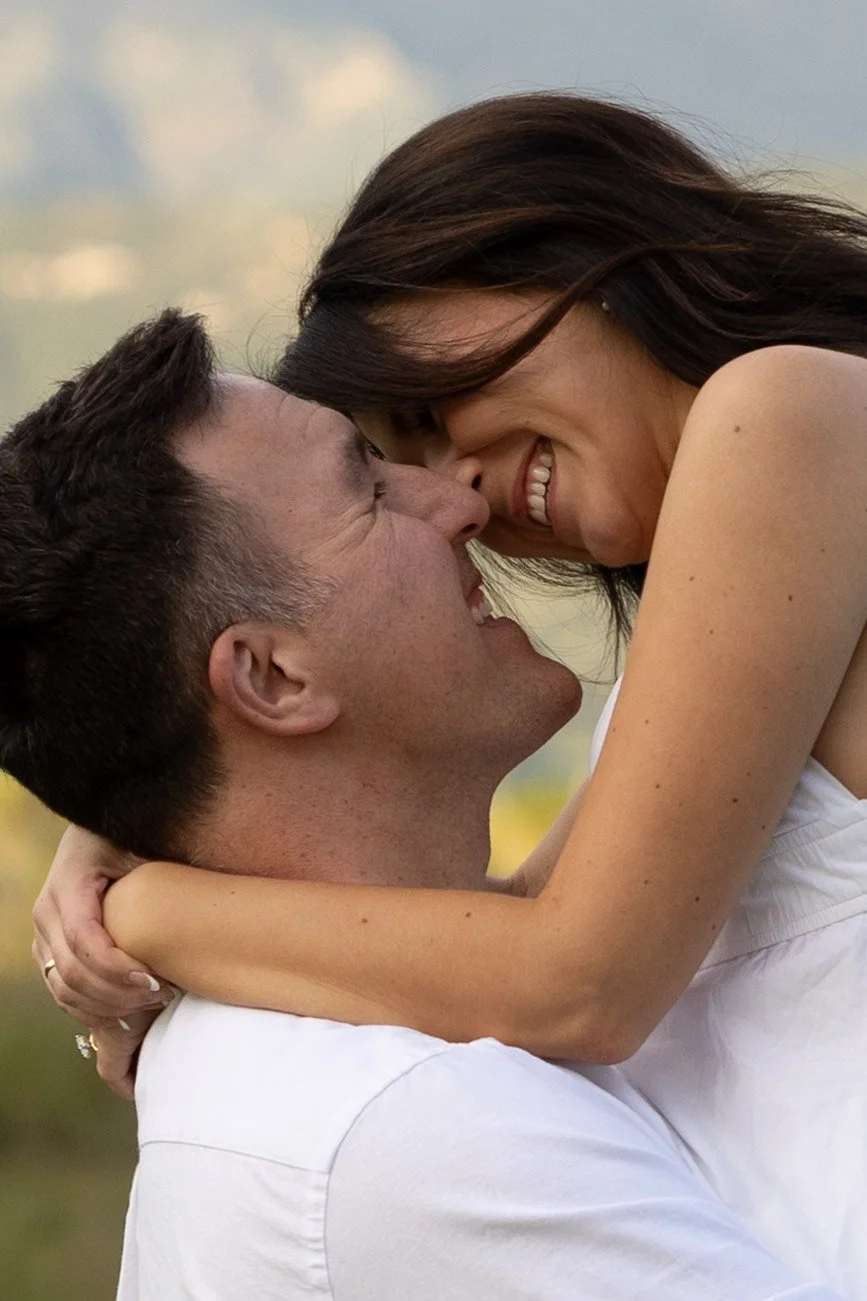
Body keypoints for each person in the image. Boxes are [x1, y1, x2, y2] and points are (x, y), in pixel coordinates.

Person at [34, 94, 867, 1292]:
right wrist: (130, 808)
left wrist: (154, 911)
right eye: (402, 470)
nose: (464, 494)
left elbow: (578, 975)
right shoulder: (748, 533)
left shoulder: (785, 408)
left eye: (426, 418)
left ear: (560, 250)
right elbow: (528, 928)